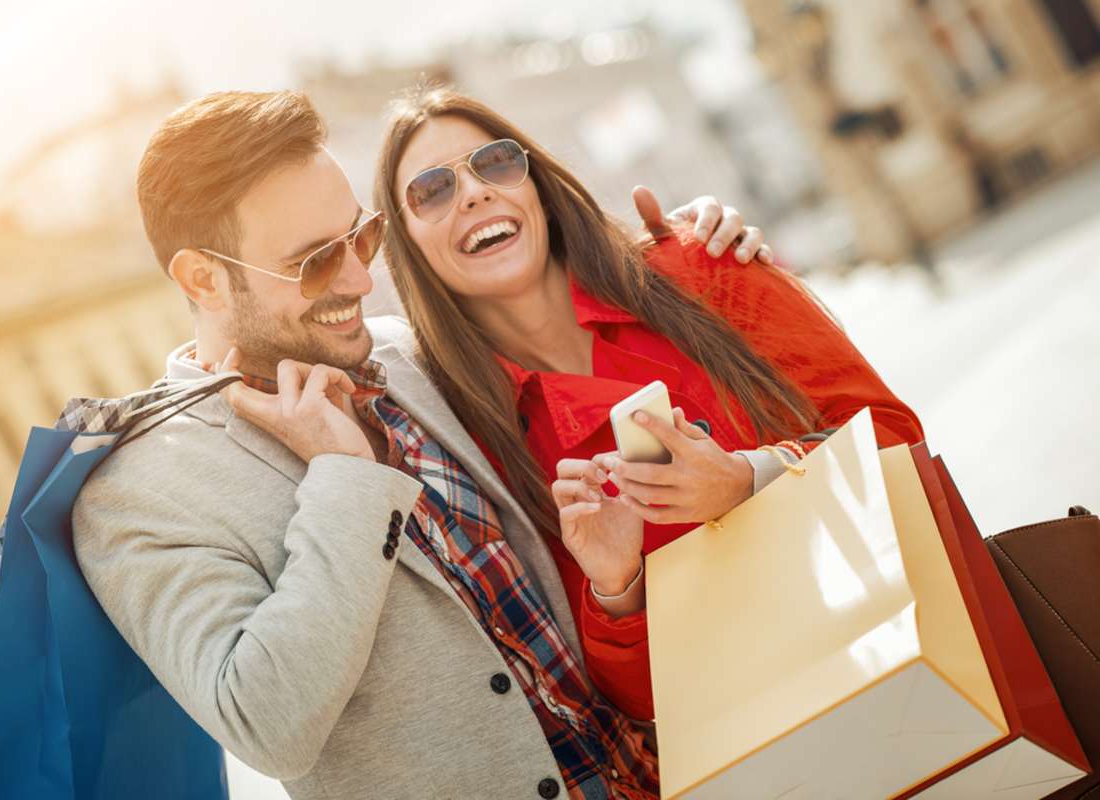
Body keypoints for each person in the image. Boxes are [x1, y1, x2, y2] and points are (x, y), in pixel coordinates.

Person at [71, 89, 772, 800]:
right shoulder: (138, 492)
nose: (358, 278)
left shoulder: (409, 355)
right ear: (203, 279)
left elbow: (562, 312)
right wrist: (344, 477)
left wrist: (695, 251)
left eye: (361, 237)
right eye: (315, 261)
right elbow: (267, 725)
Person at [373, 86, 925, 723]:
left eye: (495, 162)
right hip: (759, 739)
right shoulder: (479, 446)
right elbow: (637, 709)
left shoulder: (702, 267)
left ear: (537, 185)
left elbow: (899, 440)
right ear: (408, 247)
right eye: (432, 190)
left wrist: (751, 479)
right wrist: (616, 587)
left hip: (909, 651)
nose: (472, 192)